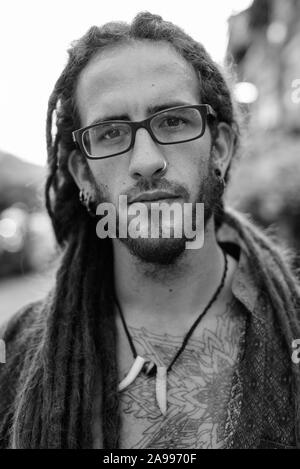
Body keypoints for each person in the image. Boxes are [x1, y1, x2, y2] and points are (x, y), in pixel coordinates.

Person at [0, 12, 300, 450]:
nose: (145, 160)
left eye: (173, 121)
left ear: (218, 147)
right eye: (111, 133)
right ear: (83, 174)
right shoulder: (16, 353)